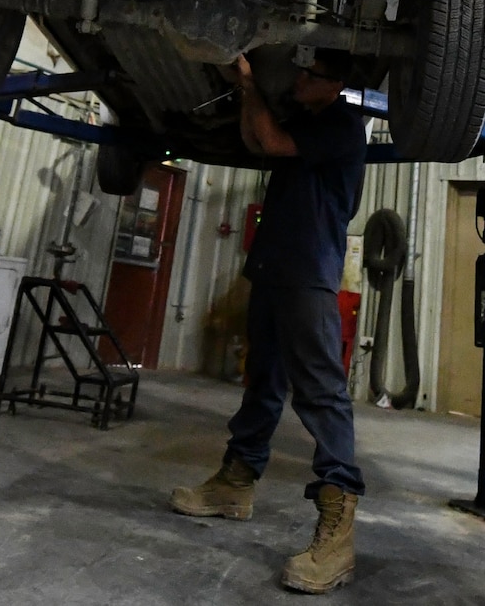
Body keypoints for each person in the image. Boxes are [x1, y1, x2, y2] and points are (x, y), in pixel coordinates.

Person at [170, 48, 369, 594]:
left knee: (320, 393)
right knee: (263, 382)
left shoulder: (344, 125)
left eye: (311, 74)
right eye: (301, 71)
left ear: (336, 84)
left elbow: (274, 141)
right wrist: (244, 90)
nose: (301, 79)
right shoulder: (306, 120)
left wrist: (253, 85)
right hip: (274, 268)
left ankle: (338, 528)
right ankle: (236, 483)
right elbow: (258, 139)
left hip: (307, 273)